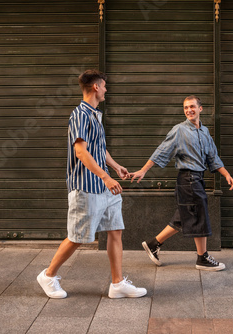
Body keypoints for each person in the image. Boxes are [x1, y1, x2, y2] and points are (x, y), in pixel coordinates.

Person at [37, 69, 146, 299]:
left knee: (115, 231)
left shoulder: (95, 115)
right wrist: (105, 177)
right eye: (104, 86)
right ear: (96, 87)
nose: (106, 90)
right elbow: (81, 152)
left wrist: (115, 167)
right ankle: (48, 276)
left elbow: (98, 149)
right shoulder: (80, 114)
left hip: (105, 186)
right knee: (78, 237)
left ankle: (117, 284)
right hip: (86, 186)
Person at [130, 95, 233, 271]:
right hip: (188, 179)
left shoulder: (205, 131)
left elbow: (212, 157)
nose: (189, 110)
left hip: (197, 179)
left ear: (200, 109)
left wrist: (225, 174)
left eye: (192, 107)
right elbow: (162, 151)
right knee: (199, 215)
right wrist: (143, 170)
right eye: (186, 108)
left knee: (185, 217)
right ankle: (202, 258)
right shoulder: (179, 130)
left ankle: (153, 244)